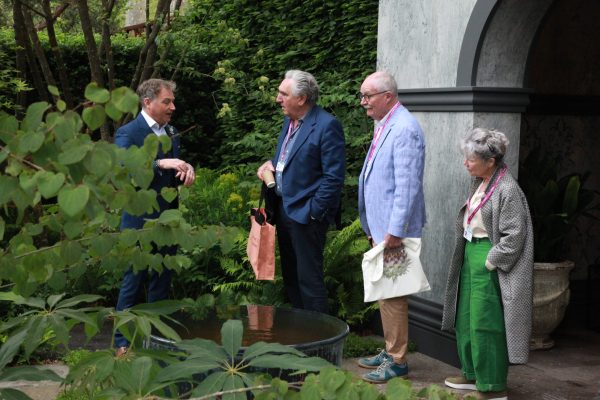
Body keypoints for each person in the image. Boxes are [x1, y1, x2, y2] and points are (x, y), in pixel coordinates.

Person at [441, 128, 534, 400]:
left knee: (486, 320)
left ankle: (493, 387)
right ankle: (472, 373)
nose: (465, 163)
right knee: (466, 316)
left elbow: (515, 235)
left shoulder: (507, 188)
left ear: (490, 161)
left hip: (489, 257)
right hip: (471, 253)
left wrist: (492, 261)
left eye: (471, 159)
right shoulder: (480, 180)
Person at [114, 78, 195, 355]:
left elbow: (172, 172)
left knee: (162, 279)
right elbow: (126, 168)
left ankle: (156, 341)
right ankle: (122, 344)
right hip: (139, 221)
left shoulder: (171, 132)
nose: (173, 106)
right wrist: (161, 162)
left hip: (168, 219)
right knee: (133, 279)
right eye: (167, 101)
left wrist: (185, 171)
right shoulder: (128, 132)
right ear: (147, 102)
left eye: (172, 101)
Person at [356, 71, 426, 383]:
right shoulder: (388, 123)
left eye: (368, 96)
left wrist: (395, 230)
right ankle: (390, 349)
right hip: (382, 227)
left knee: (394, 294)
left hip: (394, 232)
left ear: (388, 96)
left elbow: (407, 185)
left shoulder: (404, 128)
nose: (363, 102)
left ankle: (397, 360)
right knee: (387, 291)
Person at [256, 70, 345, 314]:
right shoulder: (290, 121)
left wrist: (314, 213)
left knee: (310, 282)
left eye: (283, 94)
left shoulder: (327, 126)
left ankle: (320, 344)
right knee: (292, 280)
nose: (278, 99)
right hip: (285, 210)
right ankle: (301, 337)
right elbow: (290, 159)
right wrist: (271, 167)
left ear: (302, 99)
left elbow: (333, 178)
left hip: (306, 216)